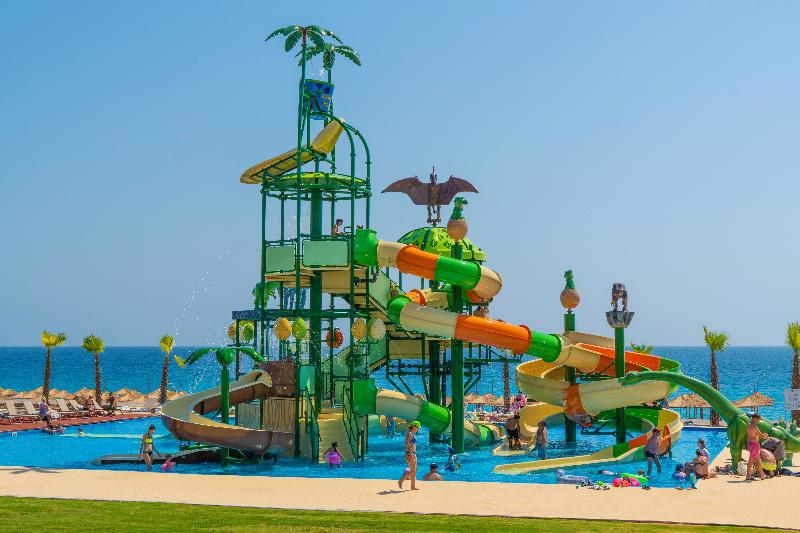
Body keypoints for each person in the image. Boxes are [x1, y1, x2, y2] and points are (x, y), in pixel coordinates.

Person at [398, 421, 421, 490]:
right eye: (417, 427)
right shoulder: (410, 433)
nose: (418, 429)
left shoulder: (412, 433)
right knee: (412, 471)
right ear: (414, 426)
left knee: (414, 471)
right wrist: (410, 452)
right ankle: (401, 481)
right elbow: (406, 442)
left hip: (413, 453)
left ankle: (412, 486)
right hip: (410, 453)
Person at [746, 413, 768, 481]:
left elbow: (754, 434)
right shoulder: (754, 426)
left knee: (757, 460)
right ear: (754, 418)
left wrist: (763, 435)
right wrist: (766, 437)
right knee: (752, 460)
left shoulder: (748, 425)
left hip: (750, 444)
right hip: (754, 445)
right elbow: (760, 435)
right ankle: (748, 476)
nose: (759, 421)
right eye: (758, 419)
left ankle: (762, 475)